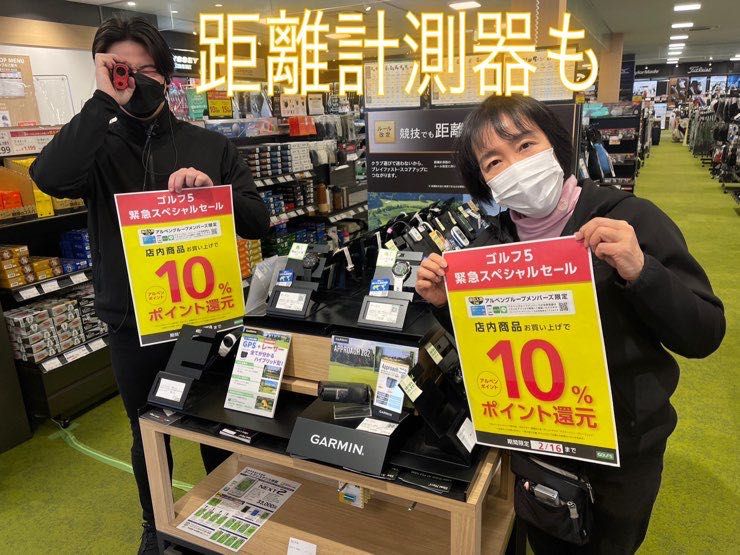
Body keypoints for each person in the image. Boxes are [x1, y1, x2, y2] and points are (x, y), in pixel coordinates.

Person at [415, 95, 725, 554]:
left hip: (623, 449)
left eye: (525, 145)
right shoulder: (485, 251)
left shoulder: (628, 219)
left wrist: (642, 271)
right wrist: (447, 305)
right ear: (483, 181)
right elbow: (490, 349)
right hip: (537, 444)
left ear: (555, 145)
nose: (515, 166)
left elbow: (704, 334)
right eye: (494, 162)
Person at [30, 17, 270, 554]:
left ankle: (233, 520)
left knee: (220, 423)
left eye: (145, 71)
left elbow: (258, 221)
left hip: (208, 317)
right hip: (131, 321)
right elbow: (48, 177)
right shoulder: (97, 146)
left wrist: (214, 194)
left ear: (166, 76)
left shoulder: (209, 145)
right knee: (147, 430)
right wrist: (102, 102)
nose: (134, 81)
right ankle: (155, 524)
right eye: (120, 70)